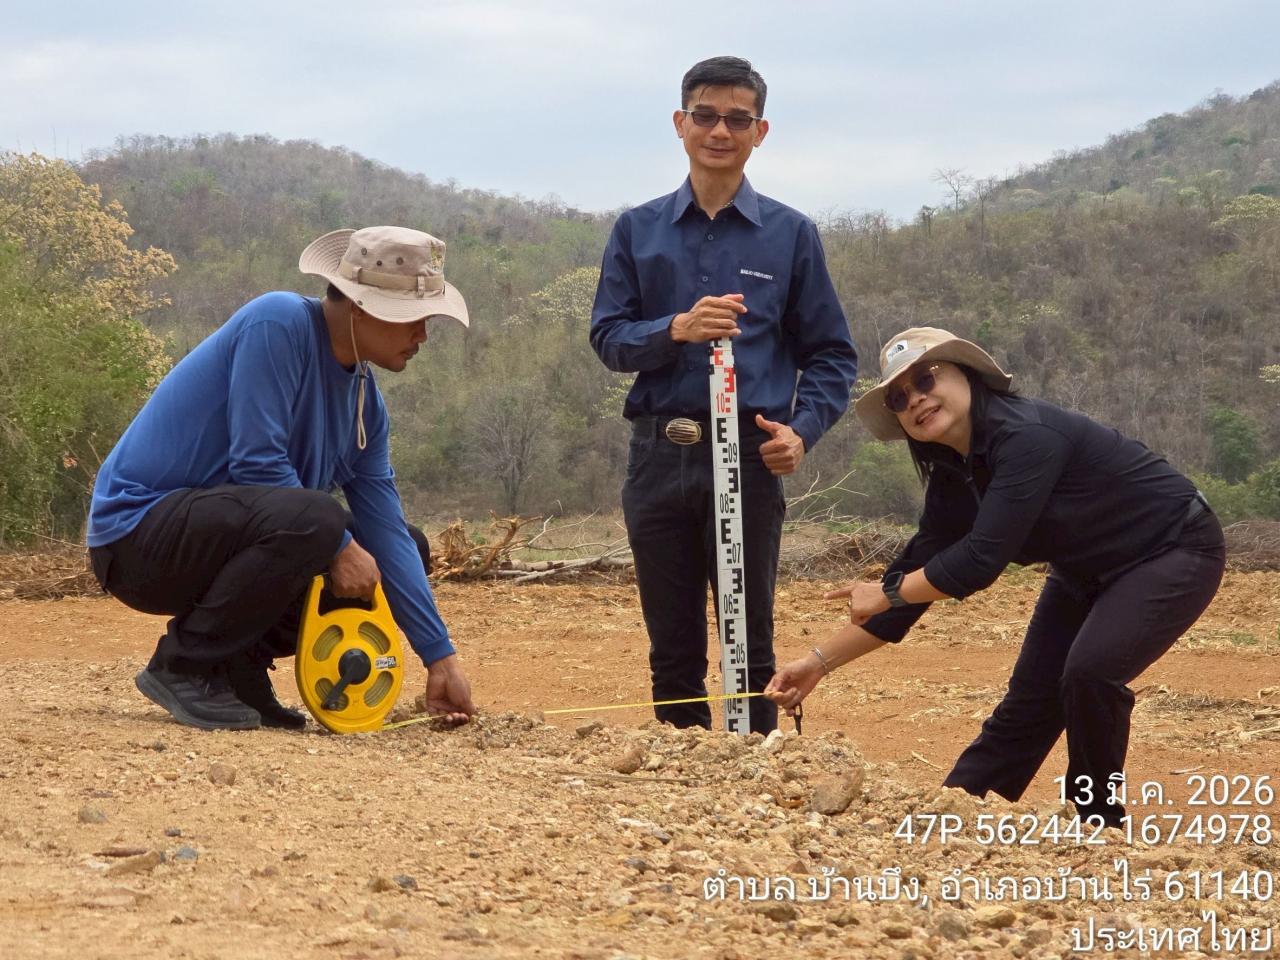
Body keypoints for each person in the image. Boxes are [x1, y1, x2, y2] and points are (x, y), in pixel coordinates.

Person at [765, 327, 1225, 824]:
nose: (915, 399)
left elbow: (978, 562)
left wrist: (889, 591)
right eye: (899, 397)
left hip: (1173, 546)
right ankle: (956, 816)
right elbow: (908, 589)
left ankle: (1099, 823)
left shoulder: (1027, 437)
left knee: (1090, 672)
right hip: (1083, 571)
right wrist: (817, 663)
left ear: (966, 375)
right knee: (1031, 700)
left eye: (925, 379)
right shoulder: (953, 475)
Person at [87, 226, 477, 731]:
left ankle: (238, 668)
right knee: (321, 521)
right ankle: (183, 665)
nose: (422, 334)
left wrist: (440, 657)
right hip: (137, 541)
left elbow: (386, 530)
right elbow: (257, 463)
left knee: (402, 545)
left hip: (224, 541)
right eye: (412, 318)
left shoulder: (366, 406)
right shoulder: (278, 322)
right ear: (361, 308)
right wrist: (339, 545)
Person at [590, 56, 858, 733]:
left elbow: (832, 355)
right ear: (679, 123)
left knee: (749, 641)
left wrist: (801, 430)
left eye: (738, 120)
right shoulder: (637, 230)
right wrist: (674, 329)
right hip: (659, 454)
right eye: (704, 116)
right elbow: (608, 338)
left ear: (760, 132)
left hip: (748, 454)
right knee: (672, 648)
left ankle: (755, 776)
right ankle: (684, 779)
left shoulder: (791, 234)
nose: (719, 131)